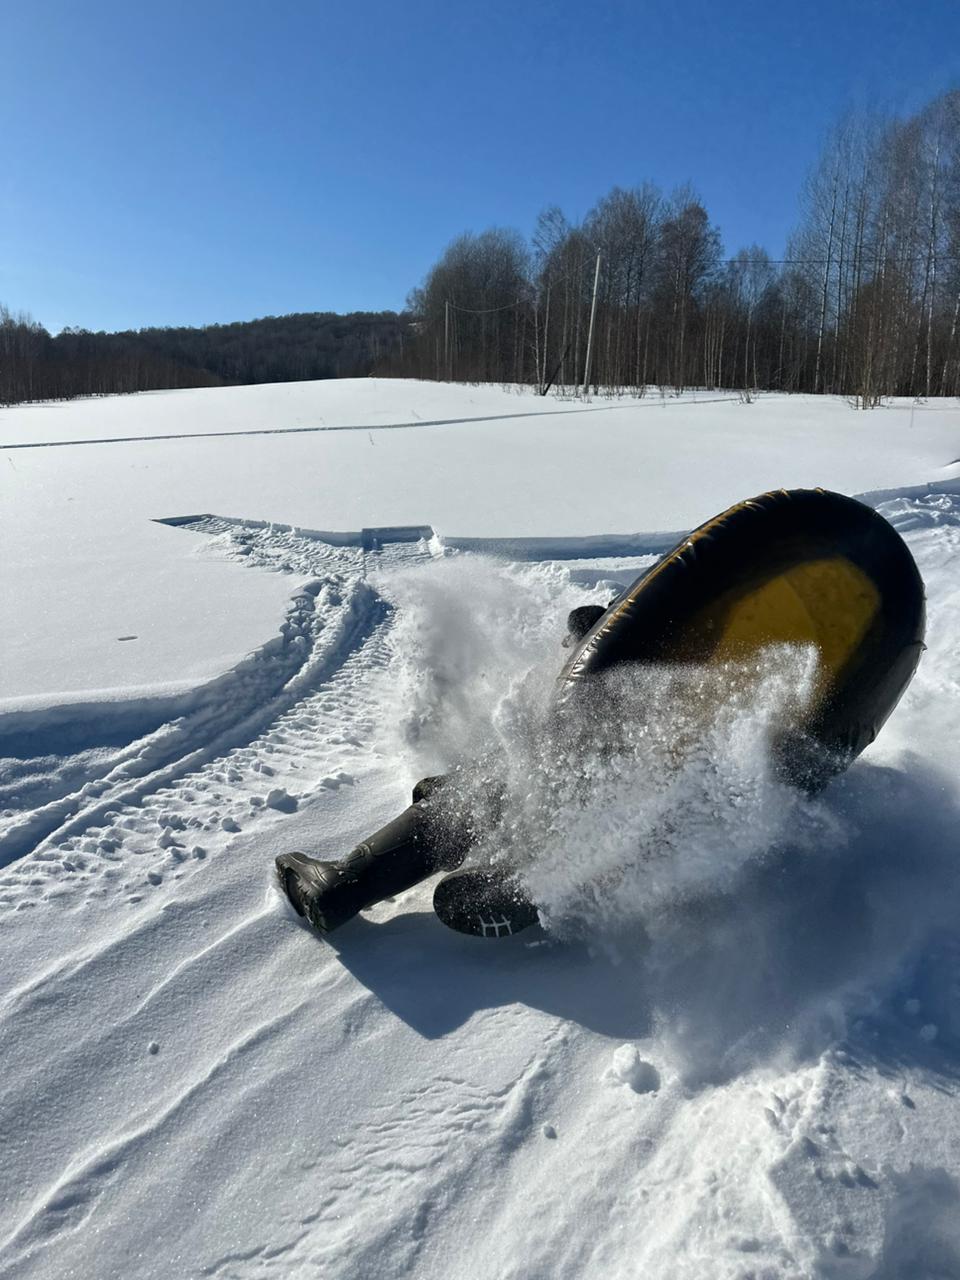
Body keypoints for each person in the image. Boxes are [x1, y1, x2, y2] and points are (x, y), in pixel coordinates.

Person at [276, 488, 925, 939]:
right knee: (616, 819)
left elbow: (606, 649)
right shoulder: (725, 688)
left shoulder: (641, 660)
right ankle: (529, 884)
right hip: (682, 794)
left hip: (607, 758)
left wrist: (586, 643)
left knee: (485, 789)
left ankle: (349, 886)